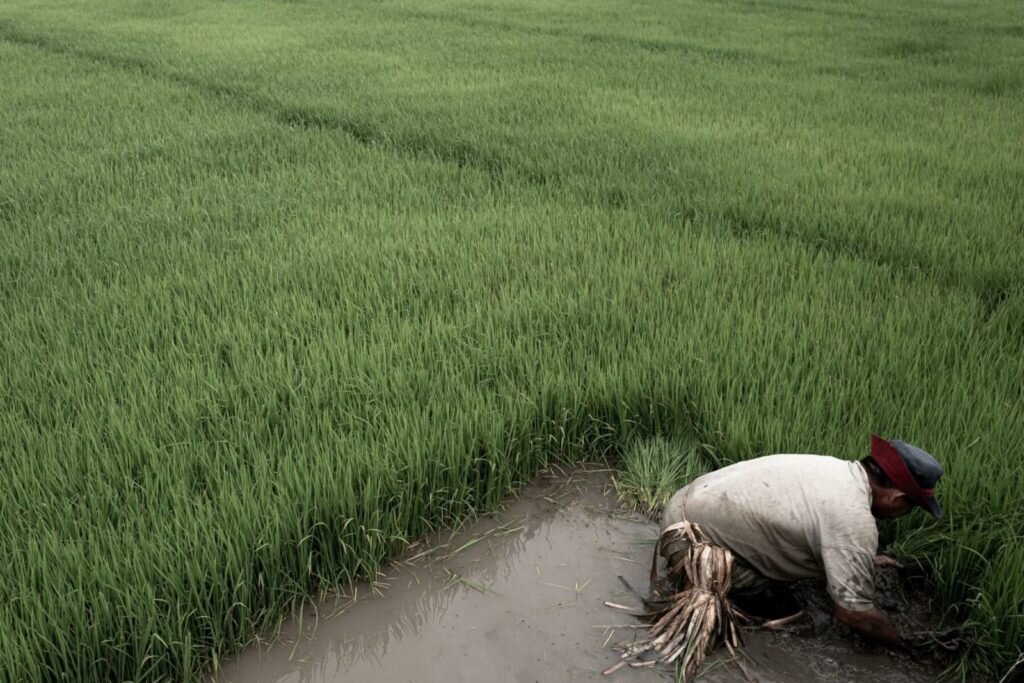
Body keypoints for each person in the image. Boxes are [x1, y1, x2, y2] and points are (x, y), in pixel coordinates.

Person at [659, 434, 943, 647]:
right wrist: (902, 642)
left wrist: (861, 558)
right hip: (689, 541)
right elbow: (853, 612)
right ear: (897, 497)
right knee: (790, 610)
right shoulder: (852, 517)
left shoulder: (837, 470)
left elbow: (818, 528)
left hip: (683, 502)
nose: (903, 514)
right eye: (911, 507)